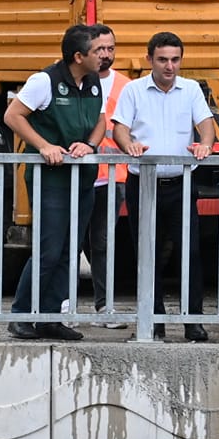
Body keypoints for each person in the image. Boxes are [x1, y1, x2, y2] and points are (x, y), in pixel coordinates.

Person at [111, 30, 217, 342]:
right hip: (143, 183)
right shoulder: (134, 90)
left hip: (181, 183)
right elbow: (120, 128)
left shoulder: (191, 89)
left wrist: (205, 145)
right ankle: (152, 323)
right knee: (146, 254)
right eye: (162, 60)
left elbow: (206, 125)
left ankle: (193, 322)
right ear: (150, 60)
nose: (169, 66)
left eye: (175, 59)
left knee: (191, 253)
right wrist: (128, 145)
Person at [5, 24, 107, 340]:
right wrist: (44, 145)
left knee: (70, 251)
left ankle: (50, 316)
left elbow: (101, 120)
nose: (104, 56)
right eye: (97, 51)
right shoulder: (45, 81)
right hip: (51, 179)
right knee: (49, 249)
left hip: (81, 178)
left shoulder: (93, 82)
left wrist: (90, 144)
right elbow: (13, 116)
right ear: (79, 56)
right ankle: (22, 315)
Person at [85, 24, 131, 326]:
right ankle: (61, 306)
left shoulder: (126, 86)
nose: (106, 55)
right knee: (72, 241)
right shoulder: (73, 82)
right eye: (100, 49)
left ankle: (104, 307)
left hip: (111, 178)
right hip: (79, 176)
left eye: (110, 48)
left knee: (102, 242)